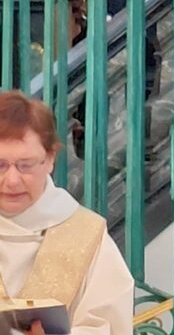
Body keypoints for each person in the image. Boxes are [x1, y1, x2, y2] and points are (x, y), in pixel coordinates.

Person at [0, 91, 133, 333]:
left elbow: (111, 326)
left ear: (50, 158)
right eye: (0, 165)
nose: (12, 180)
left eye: (25, 165)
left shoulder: (85, 235)